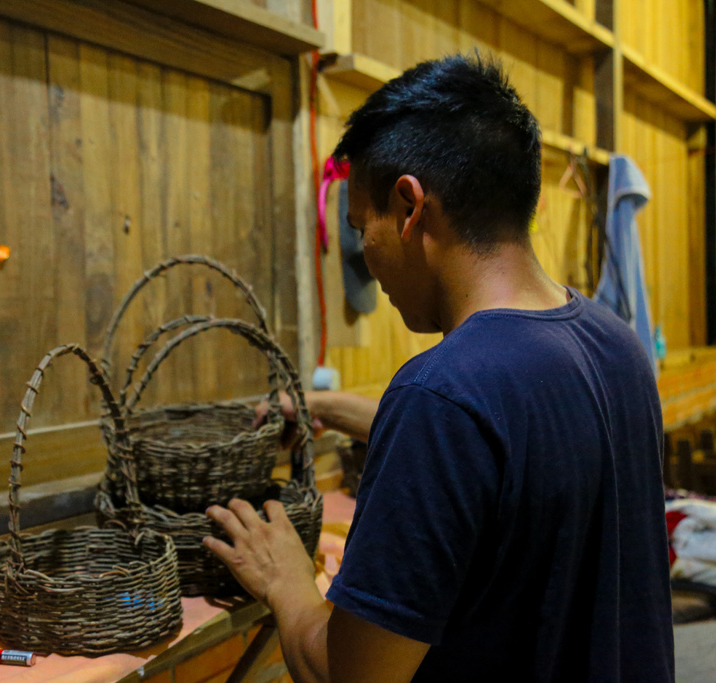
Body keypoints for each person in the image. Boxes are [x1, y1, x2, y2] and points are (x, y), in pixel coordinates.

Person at [202, 53, 673, 682]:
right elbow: (518, 446)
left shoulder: (442, 394)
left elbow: (348, 676)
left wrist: (287, 580)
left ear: (407, 207)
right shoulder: (612, 343)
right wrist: (330, 408)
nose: (365, 254)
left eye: (359, 227)